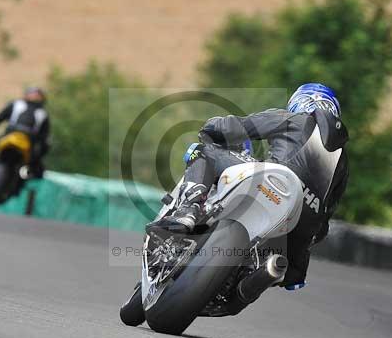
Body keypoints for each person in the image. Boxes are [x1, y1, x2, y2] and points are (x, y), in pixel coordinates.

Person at [149, 83, 349, 292]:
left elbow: (236, 127)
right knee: (285, 270)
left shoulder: (293, 119)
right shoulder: (343, 161)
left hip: (274, 182)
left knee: (202, 151)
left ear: (300, 102)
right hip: (303, 225)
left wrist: (212, 128)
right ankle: (253, 279)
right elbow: (325, 221)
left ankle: (188, 209)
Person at [0, 86, 51, 178]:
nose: (34, 96)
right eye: (33, 94)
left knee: (35, 169)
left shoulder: (43, 114)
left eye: (37, 95)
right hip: (9, 140)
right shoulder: (17, 104)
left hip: (26, 147)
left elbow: (45, 140)